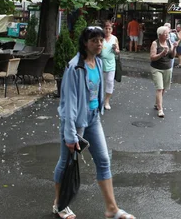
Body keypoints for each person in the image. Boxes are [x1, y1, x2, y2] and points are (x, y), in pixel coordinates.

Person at [53, 26, 135, 219]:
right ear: (85, 43)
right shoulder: (75, 67)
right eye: (94, 40)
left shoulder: (97, 62)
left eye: (100, 40)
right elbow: (69, 103)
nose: (98, 44)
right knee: (65, 163)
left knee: (104, 160)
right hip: (75, 122)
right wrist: (70, 134)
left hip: (93, 119)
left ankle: (112, 209)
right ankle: (59, 204)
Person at [150, 26, 177, 118]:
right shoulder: (155, 43)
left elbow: (172, 56)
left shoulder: (169, 42)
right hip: (157, 68)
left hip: (167, 68)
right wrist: (162, 54)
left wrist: (174, 49)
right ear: (160, 35)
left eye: (168, 33)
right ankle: (160, 109)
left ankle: (157, 103)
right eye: (166, 33)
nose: (167, 35)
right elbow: (152, 57)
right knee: (159, 88)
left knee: (164, 88)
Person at [100, 21, 120, 110]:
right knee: (98, 82)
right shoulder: (100, 37)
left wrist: (115, 49)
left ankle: (107, 101)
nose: (108, 30)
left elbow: (118, 51)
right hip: (100, 62)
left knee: (110, 82)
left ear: (112, 29)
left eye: (109, 29)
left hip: (111, 63)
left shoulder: (114, 38)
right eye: (106, 28)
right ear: (103, 29)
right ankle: (98, 99)